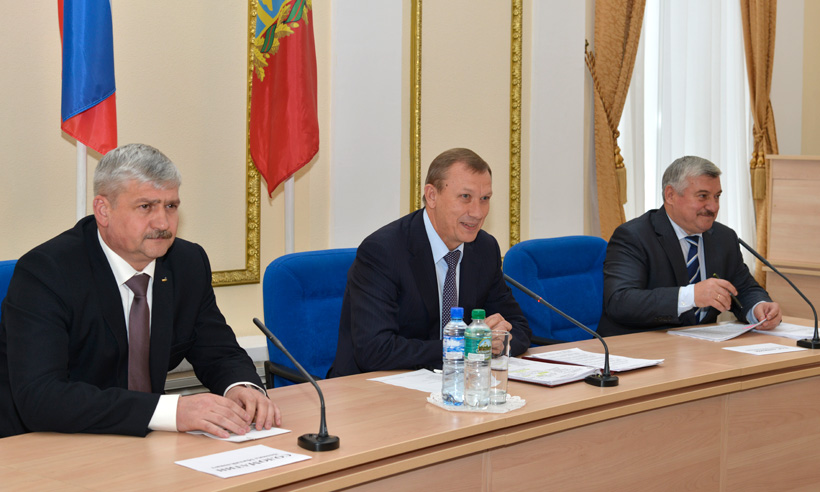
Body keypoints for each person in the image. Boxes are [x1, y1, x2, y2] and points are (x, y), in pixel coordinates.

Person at [0, 143, 280, 438]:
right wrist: (171, 411)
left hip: (144, 442)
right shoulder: (46, 272)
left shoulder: (187, 262)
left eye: (171, 206)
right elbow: (42, 396)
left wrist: (241, 387)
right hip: (47, 442)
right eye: (146, 206)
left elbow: (218, 350)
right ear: (103, 210)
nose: (163, 223)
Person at [329, 148, 531, 377]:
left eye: (485, 199)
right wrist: (466, 346)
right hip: (374, 385)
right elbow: (374, 350)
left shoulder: (484, 248)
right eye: (465, 197)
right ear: (432, 195)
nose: (477, 212)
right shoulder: (383, 251)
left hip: (457, 384)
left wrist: (500, 340)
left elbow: (519, 327)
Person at [597, 155, 782, 337]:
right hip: (639, 345)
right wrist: (691, 296)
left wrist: (759, 307)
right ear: (670, 195)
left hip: (700, 347)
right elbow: (621, 301)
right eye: (703, 196)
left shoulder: (724, 237)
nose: (713, 207)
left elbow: (744, 289)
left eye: (717, 196)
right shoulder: (634, 236)